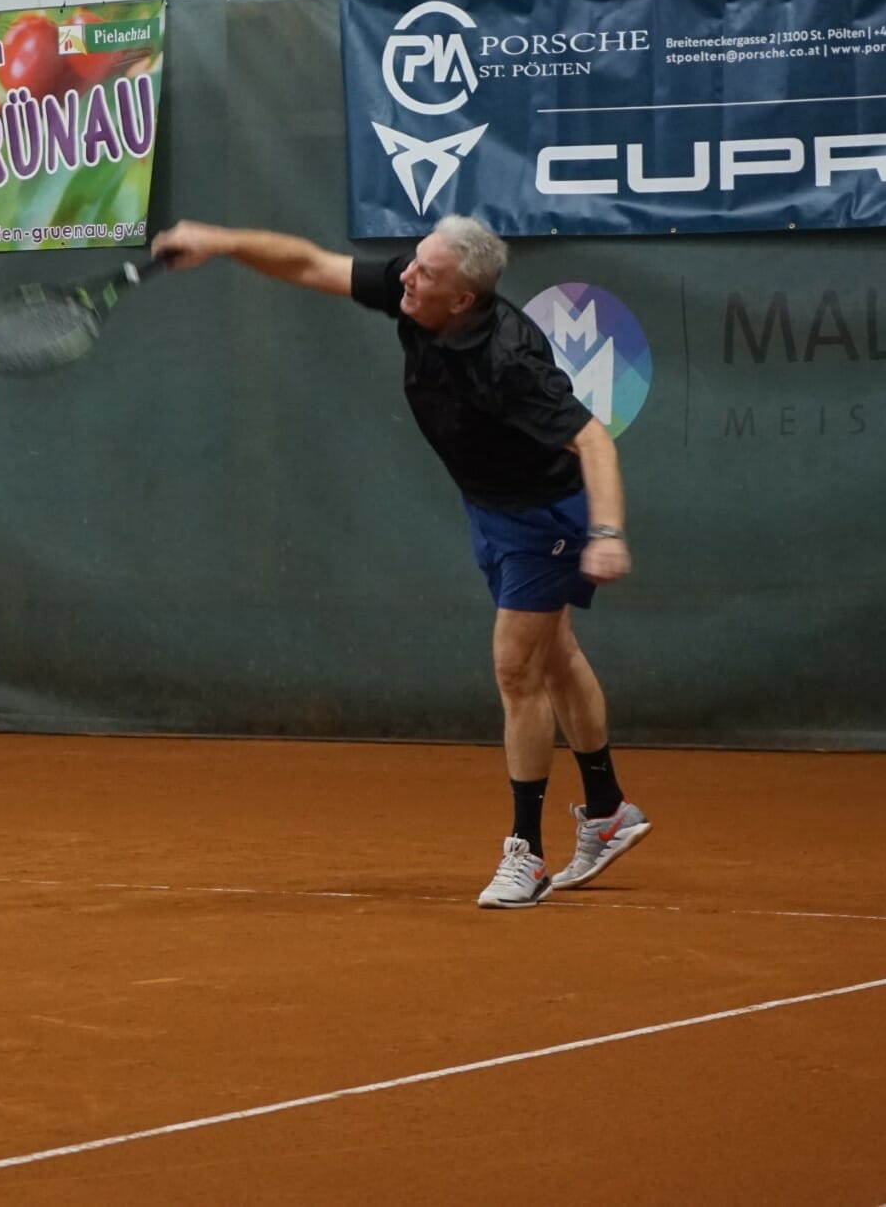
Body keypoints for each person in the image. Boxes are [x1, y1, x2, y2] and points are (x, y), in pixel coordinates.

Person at [151, 213, 649, 909]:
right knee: (553, 656)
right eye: (413, 263)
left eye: (425, 273)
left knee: (516, 669)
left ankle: (527, 853)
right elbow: (309, 263)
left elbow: (594, 441)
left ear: (463, 298)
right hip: (493, 506)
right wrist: (218, 241)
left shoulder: (508, 360)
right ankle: (608, 811)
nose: (406, 276)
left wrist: (608, 532)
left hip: (547, 517)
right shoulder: (417, 293)